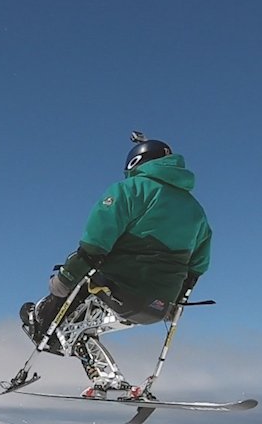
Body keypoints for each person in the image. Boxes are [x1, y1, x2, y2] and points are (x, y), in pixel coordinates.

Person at [20, 132, 212, 392]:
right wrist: (175, 300)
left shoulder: (130, 190)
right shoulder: (196, 211)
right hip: (159, 306)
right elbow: (197, 266)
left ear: (135, 162)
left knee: (54, 301)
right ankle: (105, 375)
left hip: (120, 287)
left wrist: (62, 281)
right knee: (82, 326)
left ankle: (42, 326)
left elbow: (94, 245)